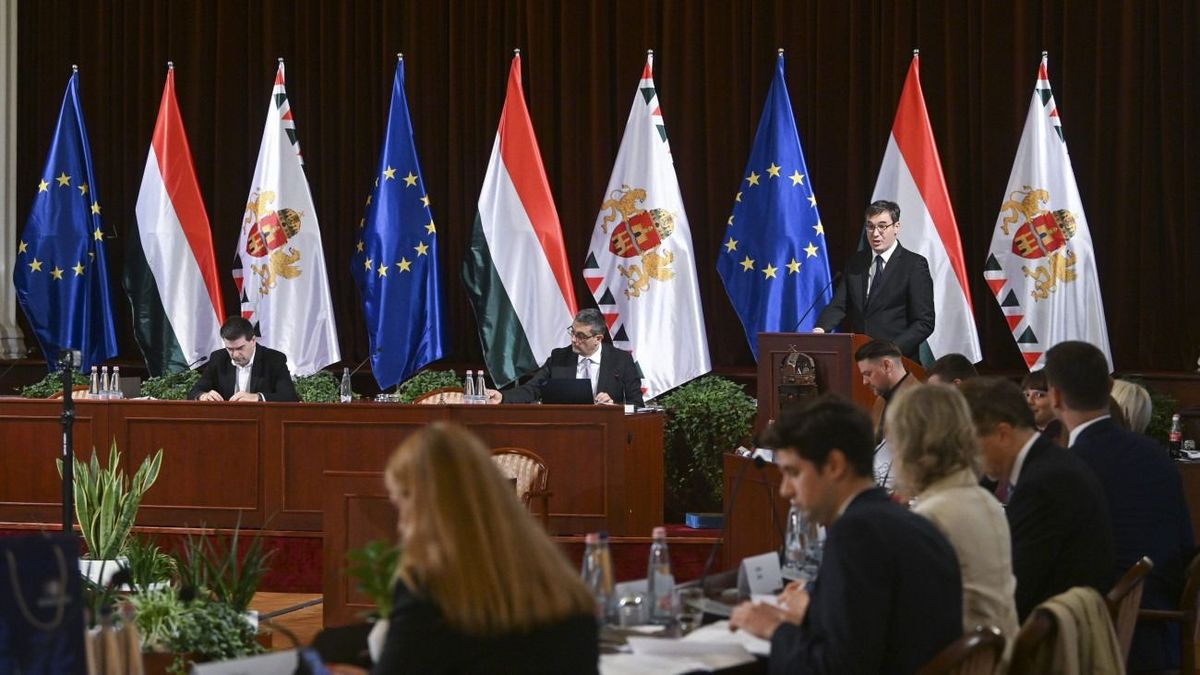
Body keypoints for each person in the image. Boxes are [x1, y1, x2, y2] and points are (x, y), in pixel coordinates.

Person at [729, 395, 962, 674]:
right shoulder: (912, 523)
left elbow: (837, 668)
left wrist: (775, 629)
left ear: (834, 466)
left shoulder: (856, 534)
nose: (785, 490)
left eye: (793, 472)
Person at [373, 422, 599, 674]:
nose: (401, 523)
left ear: (427, 507)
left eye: (402, 503)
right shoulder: (565, 588)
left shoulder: (429, 589)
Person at [1045, 341, 1194, 671]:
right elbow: (1186, 547)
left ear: (1054, 397)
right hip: (1160, 627)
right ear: (1109, 387)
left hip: (1099, 635)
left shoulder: (1065, 468)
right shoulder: (1158, 457)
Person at [959, 376, 1115, 620]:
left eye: (971, 443)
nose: (968, 455)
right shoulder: (1049, 464)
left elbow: (1015, 591)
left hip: (1049, 640)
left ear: (1002, 434)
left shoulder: (1044, 484)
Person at [886, 384, 1020, 643]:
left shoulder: (932, 517)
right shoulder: (985, 500)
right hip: (1002, 660)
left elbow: (911, 622)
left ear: (910, 445)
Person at [813, 200, 935, 362]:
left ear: (896, 227)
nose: (875, 233)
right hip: (861, 359)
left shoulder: (913, 265)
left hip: (898, 360)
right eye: (870, 226)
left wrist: (891, 350)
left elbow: (924, 322)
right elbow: (839, 305)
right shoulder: (856, 262)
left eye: (882, 226)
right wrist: (821, 329)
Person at [487, 308, 643, 406]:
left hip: (605, 431)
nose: (574, 339)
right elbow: (532, 389)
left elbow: (637, 404)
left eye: (581, 336)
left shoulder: (621, 361)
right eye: (573, 332)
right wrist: (503, 396)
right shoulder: (559, 357)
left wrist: (614, 406)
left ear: (598, 339)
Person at [187, 317, 298, 402]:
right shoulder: (218, 358)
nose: (235, 354)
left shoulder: (274, 359)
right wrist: (203, 396)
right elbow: (194, 392)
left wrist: (257, 397)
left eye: (240, 348)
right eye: (230, 349)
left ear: (253, 340)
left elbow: (289, 396)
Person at [855, 339, 918, 487]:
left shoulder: (920, 402)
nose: (864, 381)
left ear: (887, 365)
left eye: (868, 374)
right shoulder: (881, 400)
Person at [1020, 369, 1065, 445]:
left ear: (1057, 397)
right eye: (1026, 395)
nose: (1029, 401)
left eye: (1039, 395)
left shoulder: (1066, 437)